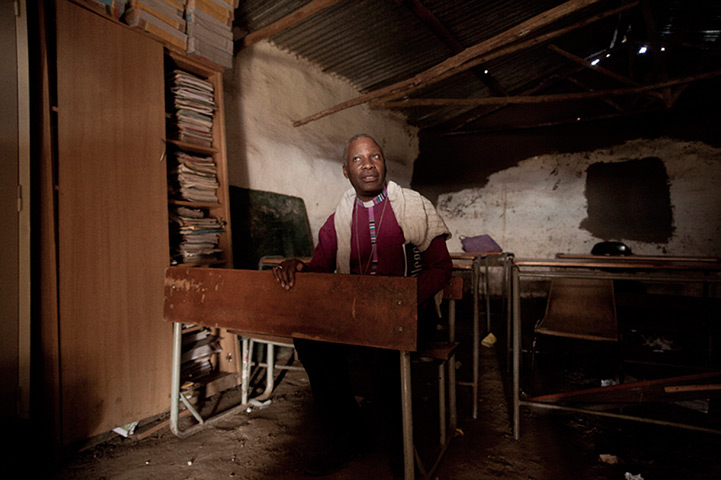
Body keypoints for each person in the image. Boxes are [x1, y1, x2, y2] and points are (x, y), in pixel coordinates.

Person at [273, 133, 452, 476]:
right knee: (309, 341)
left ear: (383, 164)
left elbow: (441, 268)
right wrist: (297, 265)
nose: (368, 165)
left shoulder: (413, 205)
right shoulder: (338, 218)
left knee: (381, 349)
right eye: (358, 159)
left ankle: (401, 450)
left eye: (375, 157)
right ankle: (347, 436)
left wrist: (401, 300)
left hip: (411, 311)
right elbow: (320, 268)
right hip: (359, 315)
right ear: (345, 171)